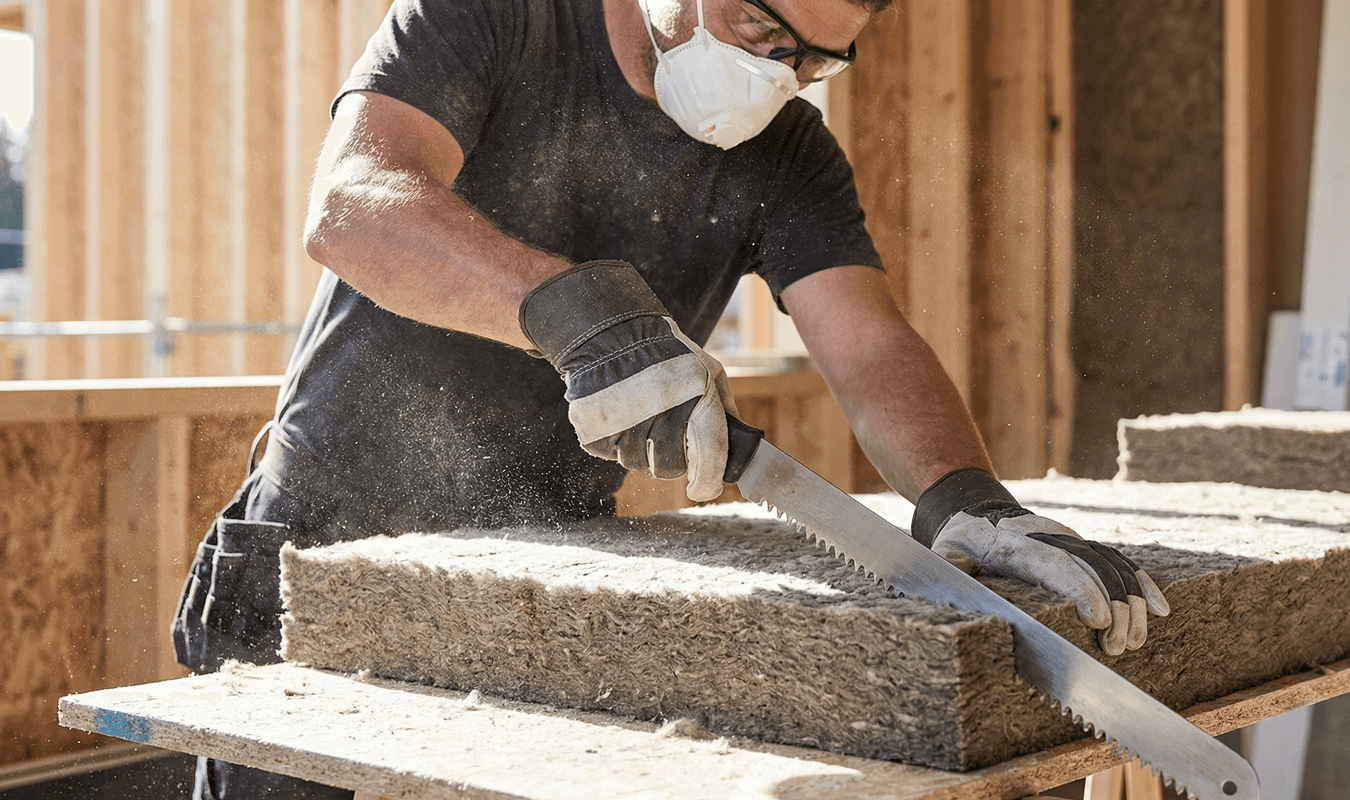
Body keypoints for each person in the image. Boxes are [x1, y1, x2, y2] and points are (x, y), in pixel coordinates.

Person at [172, 0, 1170, 796]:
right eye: (762, 31)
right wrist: (581, 319)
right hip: (325, 549)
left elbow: (866, 339)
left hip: (545, 581)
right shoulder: (499, 17)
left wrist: (964, 495)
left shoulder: (789, 154)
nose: (783, 75)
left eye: (818, 59)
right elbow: (355, 207)